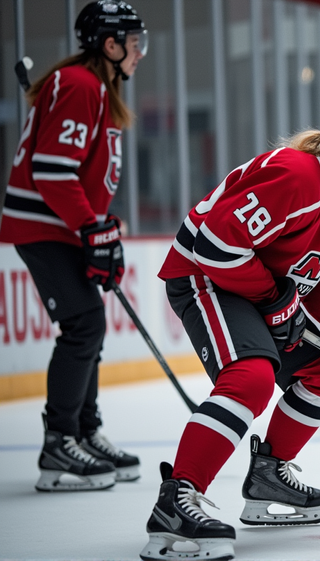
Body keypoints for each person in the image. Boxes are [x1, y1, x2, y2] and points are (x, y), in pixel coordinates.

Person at [140, 95, 320, 561]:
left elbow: (314, 278)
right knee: (252, 376)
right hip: (205, 278)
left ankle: (268, 475)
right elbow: (216, 248)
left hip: (254, 285)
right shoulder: (295, 176)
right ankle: (176, 501)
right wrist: (276, 301)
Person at [0, 0, 147, 492]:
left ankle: (83, 430)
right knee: (83, 324)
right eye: (134, 43)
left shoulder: (95, 88)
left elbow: (80, 172)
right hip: (43, 226)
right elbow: (52, 171)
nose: (139, 53)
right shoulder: (81, 85)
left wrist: (99, 225)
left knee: (91, 325)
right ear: (109, 45)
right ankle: (58, 444)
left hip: (65, 226)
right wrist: (91, 227)